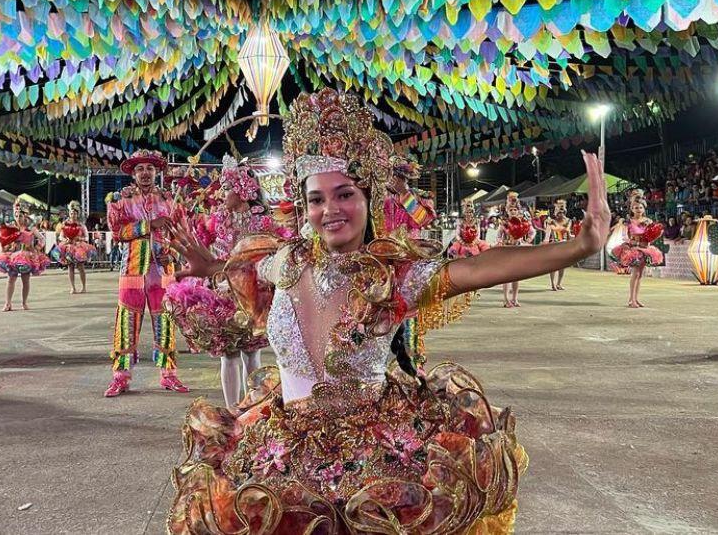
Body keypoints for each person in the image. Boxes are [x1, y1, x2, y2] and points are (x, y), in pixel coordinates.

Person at [165, 89, 611, 532]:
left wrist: (578, 246)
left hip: (375, 459)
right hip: (280, 444)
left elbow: (477, 268)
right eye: (316, 199)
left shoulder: (391, 277)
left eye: (344, 195)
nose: (330, 210)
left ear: (368, 198)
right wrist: (209, 266)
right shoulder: (285, 261)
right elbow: (244, 268)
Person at [165, 156, 290, 407]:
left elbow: (275, 254)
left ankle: (250, 407)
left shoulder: (265, 223)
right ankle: (232, 410)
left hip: (253, 297)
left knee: (252, 355)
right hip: (222, 295)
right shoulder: (217, 220)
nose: (222, 193)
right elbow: (204, 248)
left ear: (244, 191)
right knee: (229, 355)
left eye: (227, 188)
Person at [103, 149, 188, 397]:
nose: (145, 173)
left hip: (163, 269)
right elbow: (118, 232)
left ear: (157, 172)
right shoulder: (121, 200)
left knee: (165, 320)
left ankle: (169, 375)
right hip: (132, 270)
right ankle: (121, 377)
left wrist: (171, 251)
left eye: (149, 168)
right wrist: (148, 225)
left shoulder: (170, 200)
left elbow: (181, 232)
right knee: (127, 322)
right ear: (133, 173)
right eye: (139, 169)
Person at [383, 153, 437, 367]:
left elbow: (423, 219)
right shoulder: (376, 197)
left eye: (400, 176)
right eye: (391, 175)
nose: (394, 180)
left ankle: (414, 366)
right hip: (380, 261)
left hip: (408, 264)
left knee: (410, 317)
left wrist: (404, 194)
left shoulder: (418, 197)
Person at [0, 199, 49, 311]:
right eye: (16, 214)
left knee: (25, 280)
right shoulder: (11, 227)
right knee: (11, 279)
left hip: (26, 257)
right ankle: (7, 303)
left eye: (20, 215)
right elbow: (4, 240)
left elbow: (42, 239)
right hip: (13, 256)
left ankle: (24, 302)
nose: (18, 217)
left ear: (25, 216)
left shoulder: (30, 228)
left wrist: (36, 248)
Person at [610, 192, 665, 308]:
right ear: (632, 209)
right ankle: (632, 300)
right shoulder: (628, 221)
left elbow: (651, 235)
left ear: (644, 208)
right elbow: (625, 236)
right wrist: (635, 243)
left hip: (645, 249)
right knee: (635, 274)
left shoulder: (648, 221)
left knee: (640, 275)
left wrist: (649, 242)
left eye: (640, 207)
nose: (638, 209)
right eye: (635, 207)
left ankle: (634, 299)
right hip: (634, 249)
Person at [498, 192, 535, 307]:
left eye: (515, 209)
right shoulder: (504, 222)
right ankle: (505, 299)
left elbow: (533, 232)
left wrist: (528, 240)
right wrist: (500, 241)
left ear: (518, 210)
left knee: (516, 276)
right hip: (506, 250)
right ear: (507, 211)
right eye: (511, 209)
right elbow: (499, 235)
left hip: (518, 249)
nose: (513, 211)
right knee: (506, 276)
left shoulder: (523, 222)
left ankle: (515, 298)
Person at [54, 200, 97, 294]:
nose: (73, 215)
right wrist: (66, 240)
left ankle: (84, 287)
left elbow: (86, 237)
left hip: (78, 247)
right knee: (70, 267)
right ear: (69, 213)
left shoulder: (81, 225)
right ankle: (73, 287)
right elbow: (61, 236)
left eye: (74, 213)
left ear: (77, 214)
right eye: (71, 213)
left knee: (81, 266)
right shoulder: (65, 224)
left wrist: (78, 239)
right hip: (68, 247)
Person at [542, 198, 573, 290]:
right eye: (559, 212)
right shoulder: (551, 221)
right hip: (554, 245)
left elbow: (568, 233)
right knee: (553, 266)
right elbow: (547, 234)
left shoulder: (568, 221)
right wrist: (546, 241)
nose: (561, 214)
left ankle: (559, 283)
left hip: (564, 245)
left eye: (562, 211)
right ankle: (553, 284)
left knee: (562, 266)